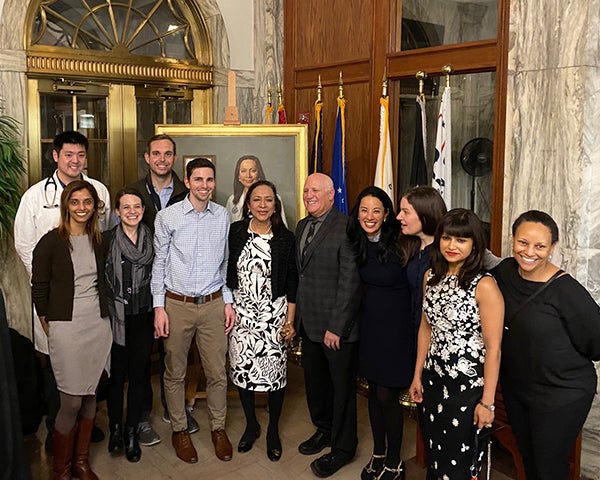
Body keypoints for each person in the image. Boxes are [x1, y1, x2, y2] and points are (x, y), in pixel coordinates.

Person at [14, 130, 110, 453]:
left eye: (81, 155)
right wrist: (53, 279)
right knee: (58, 371)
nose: (75, 160)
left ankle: (82, 435)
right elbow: (25, 244)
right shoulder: (34, 196)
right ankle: (57, 433)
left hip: (90, 309)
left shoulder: (99, 192)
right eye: (68, 154)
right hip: (57, 305)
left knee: (89, 373)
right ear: (55, 156)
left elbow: (102, 241)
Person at [491, 210, 600, 480]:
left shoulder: (568, 291)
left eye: (540, 246)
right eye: (523, 243)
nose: (529, 252)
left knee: (549, 466)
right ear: (512, 240)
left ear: (552, 248)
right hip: (518, 388)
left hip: (561, 393)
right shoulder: (504, 271)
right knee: (528, 458)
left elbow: (596, 345)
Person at [409, 208, 504, 480]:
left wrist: (487, 403)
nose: (452, 246)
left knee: (460, 462)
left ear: (475, 244)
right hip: (433, 380)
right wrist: (417, 375)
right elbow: (426, 328)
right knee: (435, 455)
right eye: (447, 238)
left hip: (467, 387)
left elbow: (493, 348)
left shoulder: (484, 285)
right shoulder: (432, 277)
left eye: (461, 240)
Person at [151, 157, 235, 464]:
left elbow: (225, 263)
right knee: (174, 371)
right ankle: (179, 429)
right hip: (177, 304)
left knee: (217, 371)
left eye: (209, 180)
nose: (204, 185)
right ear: (187, 182)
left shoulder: (222, 216)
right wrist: (159, 308)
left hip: (213, 304)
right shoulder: (168, 217)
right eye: (198, 179)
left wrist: (227, 300)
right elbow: (159, 264)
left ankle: (218, 428)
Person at [31, 180, 112, 480]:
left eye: (87, 202)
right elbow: (39, 288)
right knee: (71, 401)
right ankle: (61, 469)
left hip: (97, 325)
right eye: (75, 202)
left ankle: (81, 462)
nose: (81, 207)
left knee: (90, 396)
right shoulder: (50, 243)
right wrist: (48, 325)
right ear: (66, 205)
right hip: (65, 326)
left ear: (94, 206)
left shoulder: (99, 240)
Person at [127, 133, 194, 447]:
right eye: (156, 153)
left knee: (176, 354)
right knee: (141, 356)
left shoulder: (188, 191)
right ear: (147, 158)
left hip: (178, 285)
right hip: (141, 288)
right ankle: (141, 417)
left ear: (175, 159)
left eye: (168, 154)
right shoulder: (133, 192)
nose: (162, 159)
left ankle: (174, 409)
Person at [226, 180, 298, 462]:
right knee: (243, 371)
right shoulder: (235, 232)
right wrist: (228, 307)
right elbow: (227, 273)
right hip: (242, 315)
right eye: (257, 200)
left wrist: (290, 321)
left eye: (269, 200)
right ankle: (251, 425)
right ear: (248, 204)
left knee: (275, 377)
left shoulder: (285, 238)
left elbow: (292, 281)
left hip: (274, 316)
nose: (263, 205)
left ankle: (272, 432)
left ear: (275, 205)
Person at [295, 173, 360, 478]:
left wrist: (337, 327)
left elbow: (350, 282)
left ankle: (343, 448)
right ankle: (324, 430)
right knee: (316, 385)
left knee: (341, 390)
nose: (309, 194)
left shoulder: (346, 226)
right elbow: (303, 276)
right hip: (309, 324)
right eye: (306, 190)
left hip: (336, 330)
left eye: (315, 190)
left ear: (332, 195)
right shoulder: (302, 225)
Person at [347, 187, 411, 480]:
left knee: (387, 395)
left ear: (387, 214)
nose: (369, 216)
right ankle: (379, 452)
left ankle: (395, 461)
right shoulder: (356, 240)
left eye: (376, 210)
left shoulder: (402, 243)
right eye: (364, 210)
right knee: (373, 393)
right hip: (370, 327)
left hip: (397, 331)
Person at [104, 188, 154, 463]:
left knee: (138, 376)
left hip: (143, 317)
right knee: (115, 377)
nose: (132, 211)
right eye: (126, 207)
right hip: (115, 319)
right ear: (117, 212)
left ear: (143, 211)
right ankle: (115, 429)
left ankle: (132, 431)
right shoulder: (105, 240)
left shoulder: (153, 240)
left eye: (137, 207)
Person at [225, 154, 287, 225]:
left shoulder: (274, 198)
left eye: (253, 171)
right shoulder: (232, 200)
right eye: (243, 171)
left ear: (259, 174)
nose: (248, 175)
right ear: (238, 176)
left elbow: (283, 228)